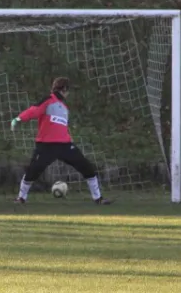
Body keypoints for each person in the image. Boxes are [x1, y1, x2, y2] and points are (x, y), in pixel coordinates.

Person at [10, 77, 112, 205]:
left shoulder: (64, 108)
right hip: (46, 146)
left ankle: (98, 198)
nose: (68, 94)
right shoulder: (48, 100)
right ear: (64, 89)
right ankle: (21, 198)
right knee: (33, 171)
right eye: (68, 91)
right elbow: (33, 111)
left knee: (87, 167)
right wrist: (18, 119)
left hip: (65, 145)